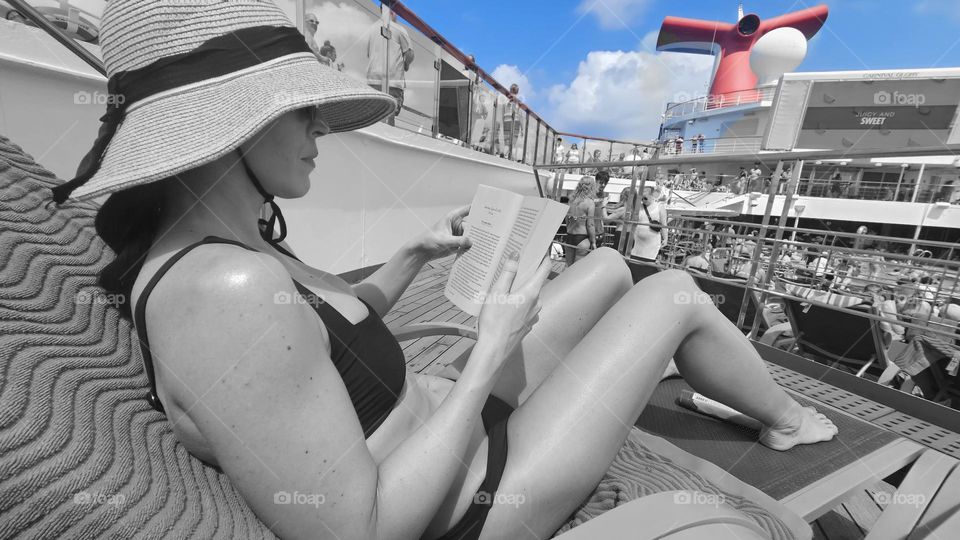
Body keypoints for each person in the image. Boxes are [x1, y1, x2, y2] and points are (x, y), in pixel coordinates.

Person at [51, 4, 840, 539]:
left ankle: (714, 384)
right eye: (301, 108)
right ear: (233, 125)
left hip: (446, 425)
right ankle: (787, 422)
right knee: (671, 293)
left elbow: (322, 339)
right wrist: (490, 352)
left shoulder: (230, 243)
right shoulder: (225, 290)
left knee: (605, 264)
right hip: (474, 497)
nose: (321, 126)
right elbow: (363, 528)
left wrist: (414, 253)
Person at [366, 10, 413, 122]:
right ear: (393, 12)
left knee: (373, 118)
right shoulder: (399, 29)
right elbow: (410, 54)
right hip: (392, 82)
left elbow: (368, 54)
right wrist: (406, 65)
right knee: (388, 118)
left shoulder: (372, 29)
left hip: (372, 81)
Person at [629, 185, 669, 282]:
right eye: (642, 198)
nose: (643, 200)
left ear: (652, 195)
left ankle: (644, 282)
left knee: (647, 265)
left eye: (645, 198)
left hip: (652, 242)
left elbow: (664, 224)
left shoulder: (660, 207)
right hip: (638, 242)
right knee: (634, 262)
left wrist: (666, 238)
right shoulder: (639, 207)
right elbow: (634, 222)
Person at [564, 176, 597, 265]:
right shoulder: (590, 203)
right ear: (592, 187)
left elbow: (567, 218)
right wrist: (593, 242)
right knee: (577, 268)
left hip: (569, 236)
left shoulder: (571, 200)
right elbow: (590, 225)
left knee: (568, 267)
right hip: (582, 238)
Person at [603, 186, 637, 252]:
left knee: (617, 256)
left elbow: (606, 220)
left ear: (623, 196)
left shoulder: (622, 210)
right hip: (630, 236)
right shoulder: (635, 210)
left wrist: (603, 206)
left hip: (621, 236)